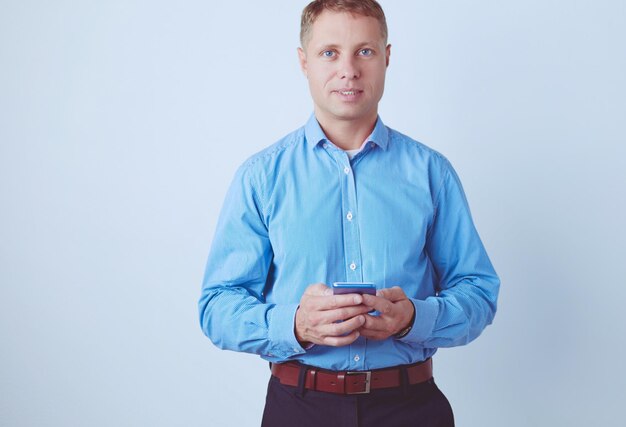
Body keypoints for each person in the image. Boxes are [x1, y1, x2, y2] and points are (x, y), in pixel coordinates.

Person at [199, 1, 500, 425]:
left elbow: (479, 291)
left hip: (410, 407)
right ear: (303, 62)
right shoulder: (260, 177)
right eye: (329, 53)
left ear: (387, 58)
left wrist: (415, 318)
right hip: (299, 407)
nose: (349, 69)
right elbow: (216, 307)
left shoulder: (432, 173)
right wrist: (295, 324)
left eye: (365, 51)